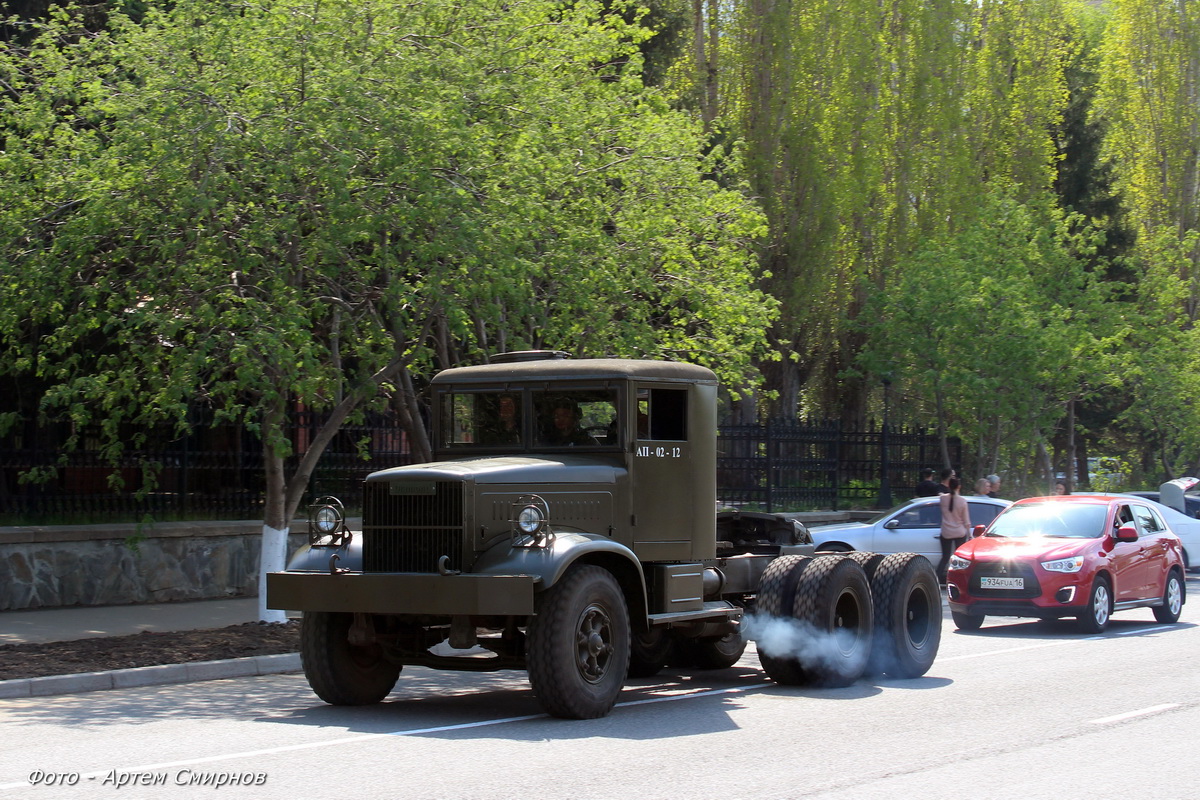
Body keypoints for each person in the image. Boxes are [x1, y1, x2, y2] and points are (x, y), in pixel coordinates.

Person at [938, 476, 971, 583]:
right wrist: (970, 534)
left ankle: (936, 579)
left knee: (945, 557)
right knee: (960, 559)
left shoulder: (942, 498)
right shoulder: (962, 501)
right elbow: (966, 521)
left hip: (946, 532)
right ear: (959, 487)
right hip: (959, 532)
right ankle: (959, 580)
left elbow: (941, 495)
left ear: (948, 486)